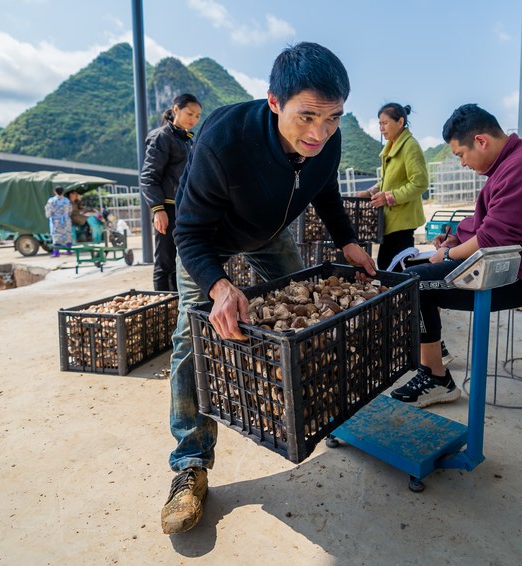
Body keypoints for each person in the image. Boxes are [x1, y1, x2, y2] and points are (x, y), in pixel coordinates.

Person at [162, 42, 376, 535]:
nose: (319, 133)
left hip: (268, 233)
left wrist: (347, 242)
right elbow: (188, 232)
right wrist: (218, 286)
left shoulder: (329, 140)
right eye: (306, 117)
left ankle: (292, 403)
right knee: (190, 340)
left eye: (333, 118)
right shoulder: (223, 140)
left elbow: (324, 190)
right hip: (207, 240)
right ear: (274, 102)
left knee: (301, 310)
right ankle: (189, 464)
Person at [390, 103, 522, 408]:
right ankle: (434, 352)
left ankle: (436, 377)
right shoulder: (513, 164)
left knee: (413, 284)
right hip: (503, 264)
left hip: (521, 276)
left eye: (461, 154)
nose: (462, 163)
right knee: (412, 276)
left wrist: (448, 253)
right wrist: (454, 239)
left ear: (481, 141)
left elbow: (494, 238)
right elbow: (485, 226)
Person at [140, 94, 203, 291]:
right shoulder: (162, 136)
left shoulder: (186, 140)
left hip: (184, 209)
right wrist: (158, 209)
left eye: (198, 116)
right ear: (176, 109)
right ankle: (162, 307)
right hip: (167, 208)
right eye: (189, 113)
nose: (193, 119)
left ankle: (176, 306)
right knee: (164, 263)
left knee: (181, 262)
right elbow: (148, 176)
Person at [355, 103, 428, 271]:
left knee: (394, 267)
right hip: (391, 222)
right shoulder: (393, 146)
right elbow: (388, 181)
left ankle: (403, 297)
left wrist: (388, 197)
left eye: (385, 123)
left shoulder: (410, 146)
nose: (381, 128)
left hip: (402, 222)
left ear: (400, 122)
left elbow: (420, 183)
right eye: (379, 124)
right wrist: (371, 191)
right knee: (387, 265)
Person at [44, 186, 73, 256]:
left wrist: (49, 216)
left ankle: (56, 253)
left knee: (56, 236)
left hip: (56, 221)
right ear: (63, 192)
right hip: (66, 220)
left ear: (55, 192)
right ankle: (68, 251)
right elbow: (70, 210)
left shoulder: (52, 201)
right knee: (67, 235)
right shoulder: (67, 200)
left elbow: (48, 211)